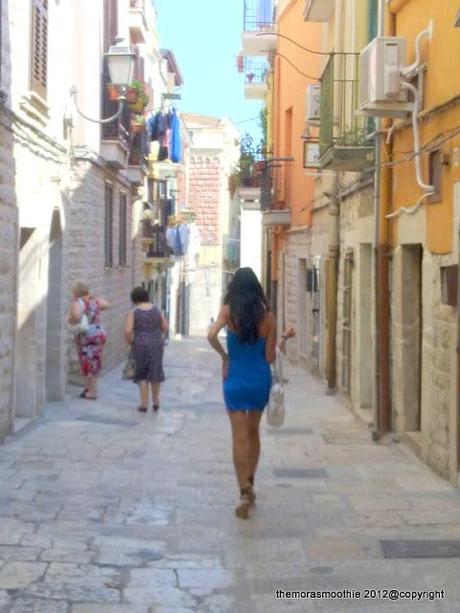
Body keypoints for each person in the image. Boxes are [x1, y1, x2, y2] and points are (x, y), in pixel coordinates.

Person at [207, 267, 295, 519]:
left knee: (238, 435)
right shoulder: (269, 317)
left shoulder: (227, 311)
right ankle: (251, 484)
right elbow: (269, 357)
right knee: (254, 431)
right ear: (257, 288)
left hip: (234, 377)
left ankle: (243, 490)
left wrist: (225, 356)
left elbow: (211, 335)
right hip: (259, 379)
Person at [124, 287, 168, 413]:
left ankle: (144, 404)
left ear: (134, 299)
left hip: (140, 344)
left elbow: (127, 331)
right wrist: (158, 334)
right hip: (156, 343)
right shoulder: (156, 310)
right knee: (155, 371)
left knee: (142, 373)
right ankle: (156, 401)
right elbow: (165, 327)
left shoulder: (134, 312)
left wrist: (131, 341)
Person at [68, 281, 109, 400]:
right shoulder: (93, 300)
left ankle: (92, 392)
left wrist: (70, 319)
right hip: (99, 333)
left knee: (87, 362)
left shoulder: (78, 302)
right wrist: (92, 298)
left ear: (76, 291)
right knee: (95, 361)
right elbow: (106, 304)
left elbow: (76, 316)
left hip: (87, 336)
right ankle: (89, 388)